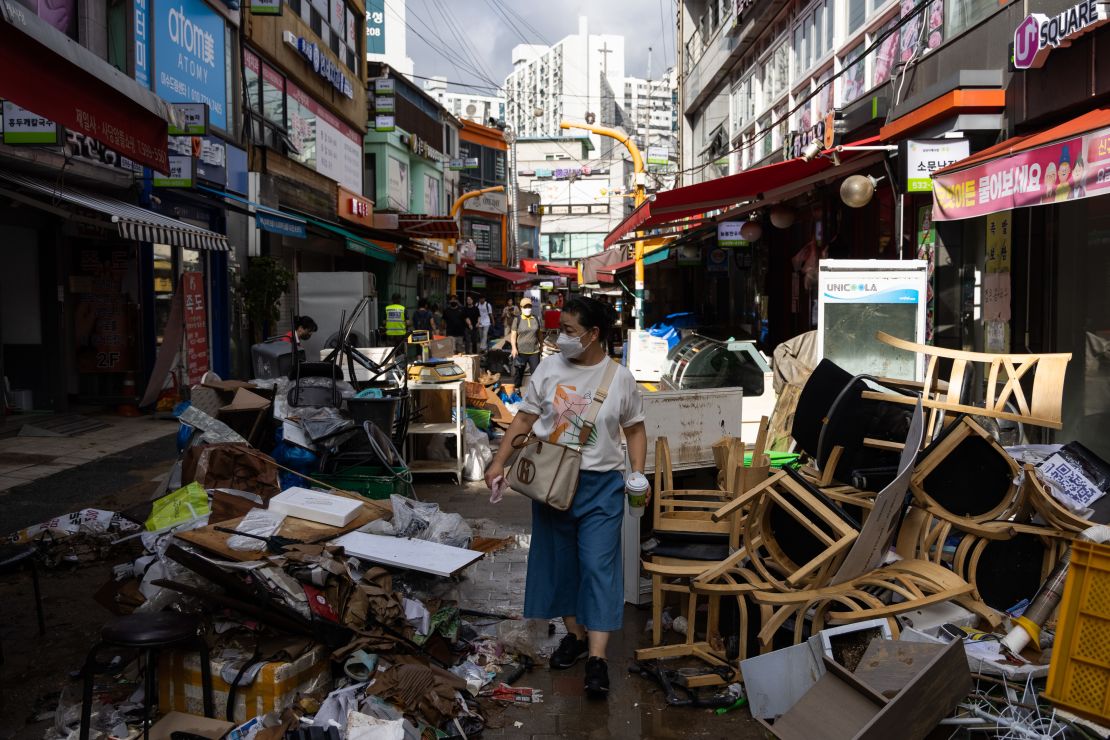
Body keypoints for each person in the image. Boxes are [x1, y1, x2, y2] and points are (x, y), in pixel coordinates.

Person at [484, 297, 648, 699]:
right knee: (561, 565)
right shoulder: (548, 367)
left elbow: (635, 430)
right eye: (560, 330)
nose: (561, 338)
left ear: (593, 335)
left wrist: (637, 473)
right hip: (551, 483)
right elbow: (523, 418)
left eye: (570, 331)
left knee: (597, 566)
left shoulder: (620, 378)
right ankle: (574, 636)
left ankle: (597, 658)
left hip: (601, 486)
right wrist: (498, 464)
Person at [510, 297, 543, 388]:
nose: (528, 309)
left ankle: (535, 393)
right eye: (525, 307)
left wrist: (541, 345)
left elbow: (539, 334)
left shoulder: (536, 318)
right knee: (518, 375)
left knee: (536, 375)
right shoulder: (517, 319)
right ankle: (517, 391)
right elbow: (513, 335)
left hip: (534, 352)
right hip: (521, 352)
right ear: (521, 308)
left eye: (529, 306)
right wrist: (514, 348)